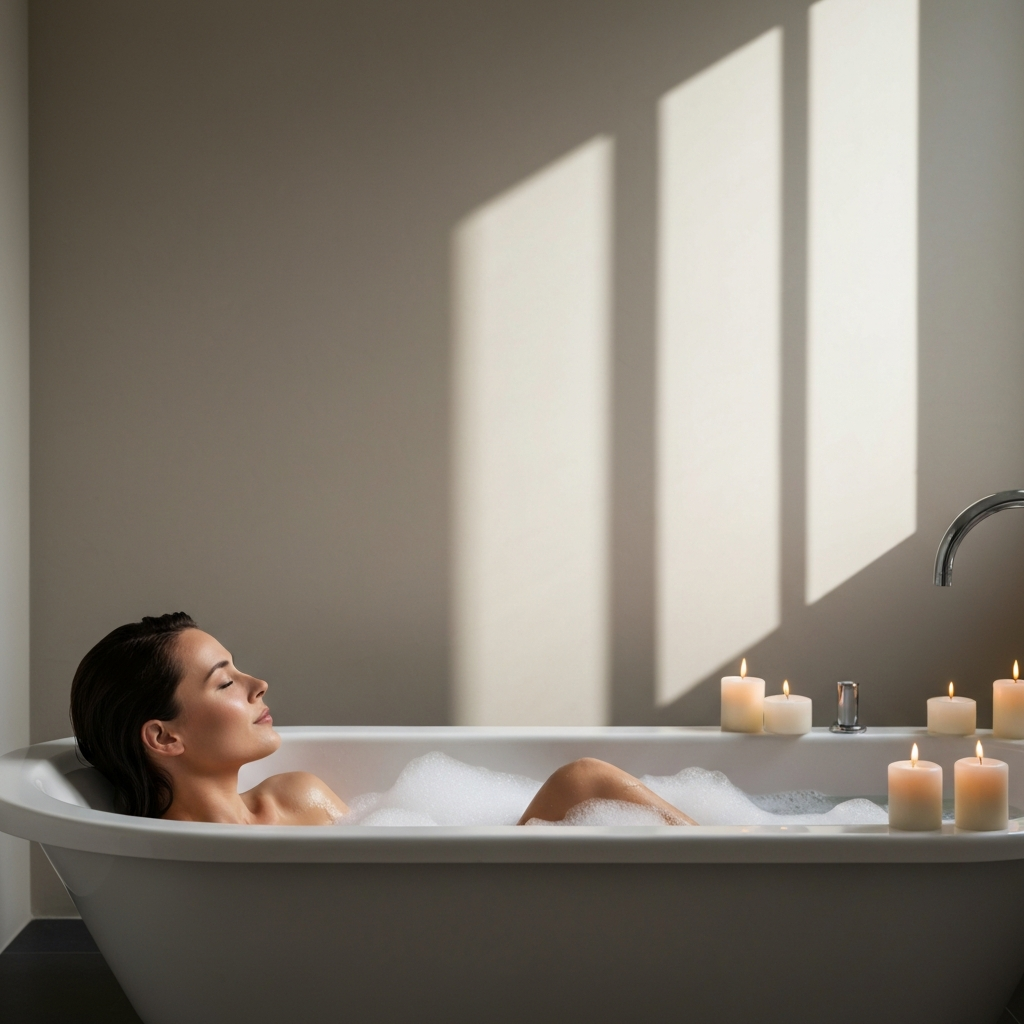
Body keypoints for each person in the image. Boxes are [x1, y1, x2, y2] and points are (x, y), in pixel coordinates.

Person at [70, 613, 695, 826]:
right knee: (584, 780)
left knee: (585, 780)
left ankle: (748, 855)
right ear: (164, 736)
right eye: (227, 681)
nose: (260, 685)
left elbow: (401, 877)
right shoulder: (173, 858)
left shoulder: (298, 796)